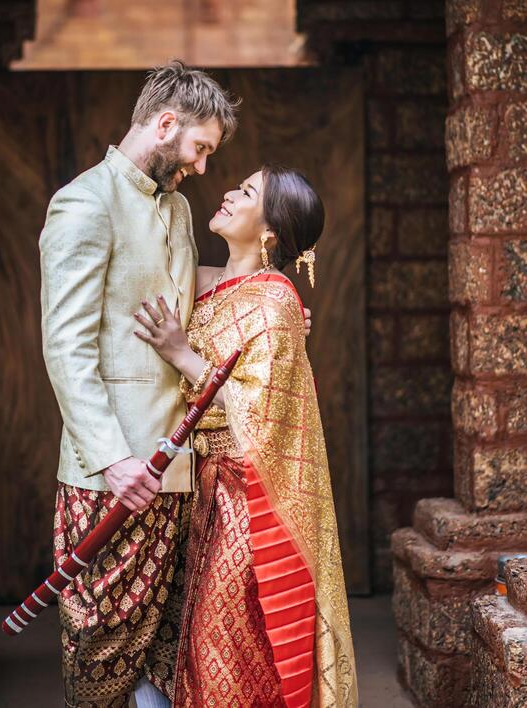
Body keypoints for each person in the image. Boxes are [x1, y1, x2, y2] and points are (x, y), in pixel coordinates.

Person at [40, 63, 313, 707]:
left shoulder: (178, 206)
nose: (200, 164)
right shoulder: (84, 203)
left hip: (182, 467)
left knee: (164, 646)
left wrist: (269, 294)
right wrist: (112, 460)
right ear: (166, 125)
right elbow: (66, 347)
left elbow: (181, 282)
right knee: (101, 638)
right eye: (200, 148)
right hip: (113, 471)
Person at [134, 166, 357, 708]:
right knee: (185, 647)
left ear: (271, 231)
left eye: (248, 192)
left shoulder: (276, 300)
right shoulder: (213, 282)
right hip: (197, 495)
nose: (230, 192)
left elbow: (259, 408)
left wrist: (181, 354)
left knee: (225, 646)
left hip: (244, 504)